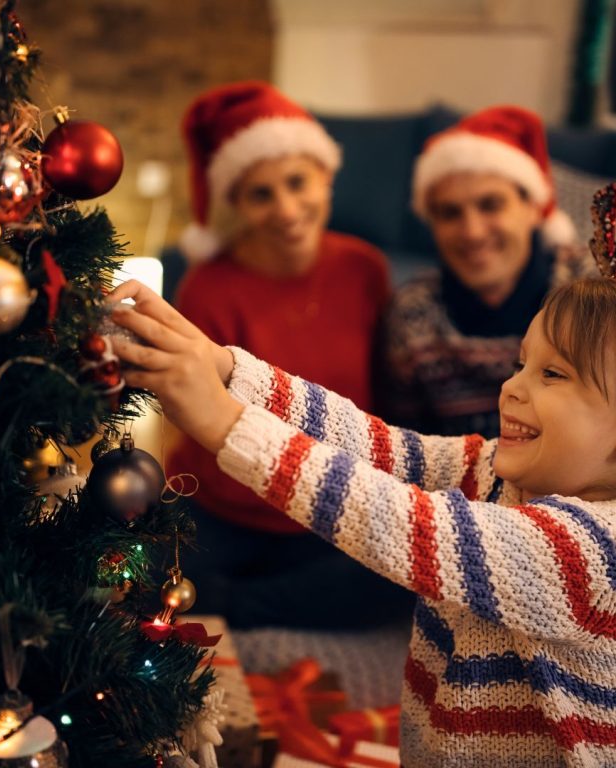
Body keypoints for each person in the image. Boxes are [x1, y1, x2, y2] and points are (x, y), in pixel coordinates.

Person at [107, 254, 616, 766]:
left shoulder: (590, 553)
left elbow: (398, 519)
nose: (513, 386)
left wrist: (223, 424)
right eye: (524, 362)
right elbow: (384, 450)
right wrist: (224, 368)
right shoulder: (503, 473)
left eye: (555, 375)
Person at [378, 104, 616, 767]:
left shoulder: (605, 299)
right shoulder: (414, 317)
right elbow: (407, 451)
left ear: (534, 205)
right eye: (448, 212)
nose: (473, 229)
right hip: (503, 543)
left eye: (491, 203)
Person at [166, 80, 412, 629]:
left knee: (402, 580)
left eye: (298, 182)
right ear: (235, 205)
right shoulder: (208, 287)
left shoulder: (365, 269)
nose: (286, 209)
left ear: (326, 177)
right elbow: (199, 416)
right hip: (222, 508)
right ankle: (253, 598)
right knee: (145, 577)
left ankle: (235, 605)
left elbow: (387, 397)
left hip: (327, 511)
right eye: (260, 194)